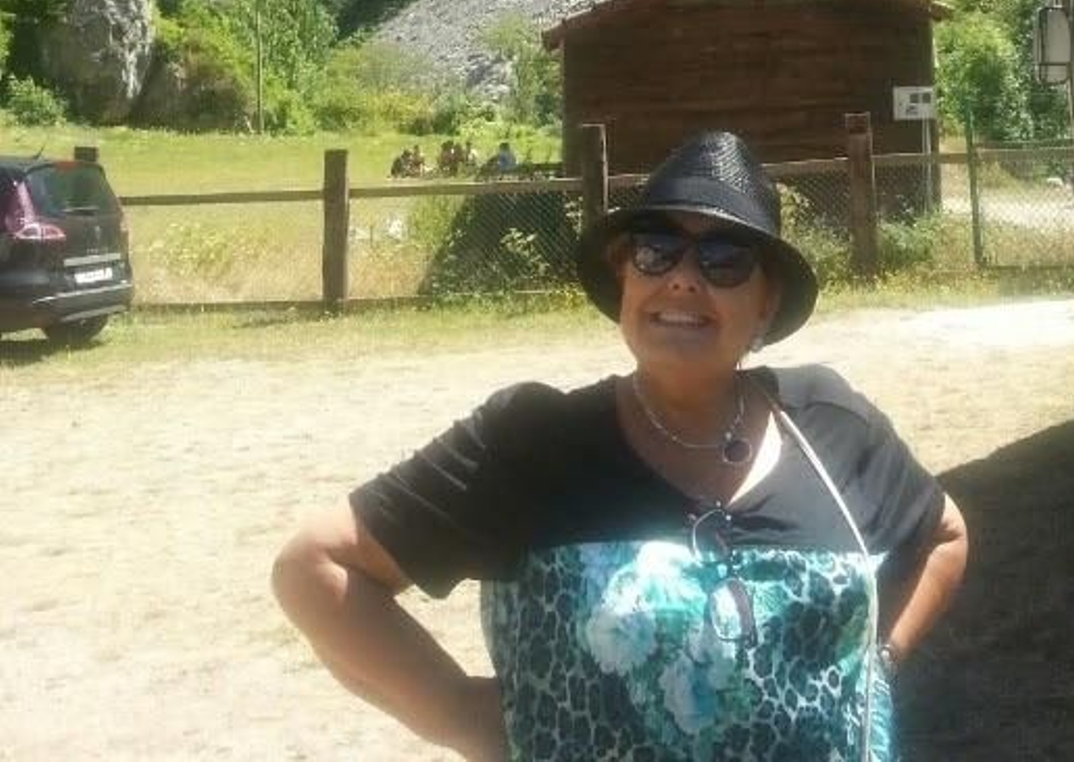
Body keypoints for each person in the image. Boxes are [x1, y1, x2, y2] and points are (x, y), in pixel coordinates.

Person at [272, 129, 967, 759]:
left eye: (725, 259)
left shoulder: (828, 423)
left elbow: (942, 535)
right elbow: (314, 566)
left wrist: (878, 663)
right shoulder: (534, 444)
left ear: (766, 302)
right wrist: (462, 715)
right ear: (624, 277)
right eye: (655, 250)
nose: (683, 277)